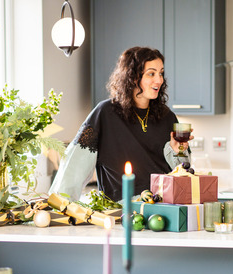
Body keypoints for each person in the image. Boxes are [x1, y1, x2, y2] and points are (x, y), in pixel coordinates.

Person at [49, 46, 191, 202]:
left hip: (164, 206)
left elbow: (182, 173)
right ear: (133, 76)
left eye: (161, 73)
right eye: (151, 73)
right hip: (122, 210)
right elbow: (74, 165)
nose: (159, 80)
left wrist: (178, 151)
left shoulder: (167, 116)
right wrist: (60, 204)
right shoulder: (105, 114)